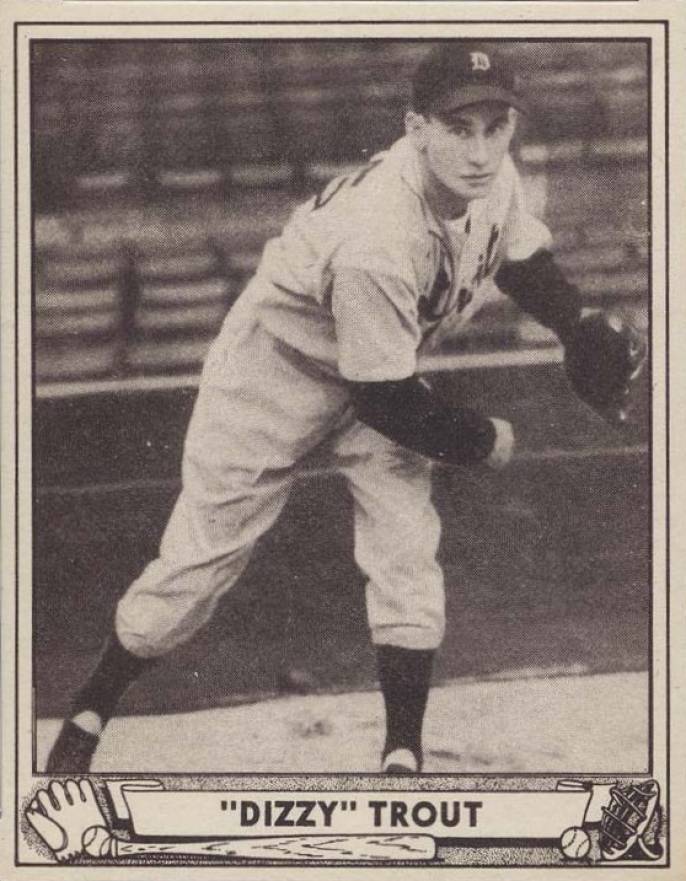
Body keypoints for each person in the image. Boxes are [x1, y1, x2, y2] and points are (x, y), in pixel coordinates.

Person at [46, 42, 642, 775]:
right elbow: (384, 397)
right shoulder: (377, 238)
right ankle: (90, 706)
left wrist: (575, 321)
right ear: (415, 127)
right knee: (198, 564)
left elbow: (518, 256)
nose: (482, 150)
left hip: (378, 366)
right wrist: (482, 437)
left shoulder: (492, 177)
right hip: (274, 376)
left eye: (496, 126)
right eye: (459, 128)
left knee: (405, 546)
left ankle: (402, 749)